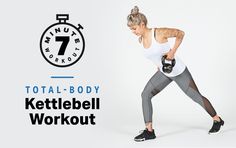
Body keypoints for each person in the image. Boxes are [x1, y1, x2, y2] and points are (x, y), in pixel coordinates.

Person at [127, 6, 224, 142]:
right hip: (164, 72)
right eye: (131, 29)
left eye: (134, 28)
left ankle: (217, 120)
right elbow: (155, 55)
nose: (133, 32)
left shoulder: (159, 33)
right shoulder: (141, 39)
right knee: (145, 94)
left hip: (178, 71)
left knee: (196, 97)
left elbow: (181, 33)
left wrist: (172, 53)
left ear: (142, 24)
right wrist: (158, 66)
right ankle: (149, 131)